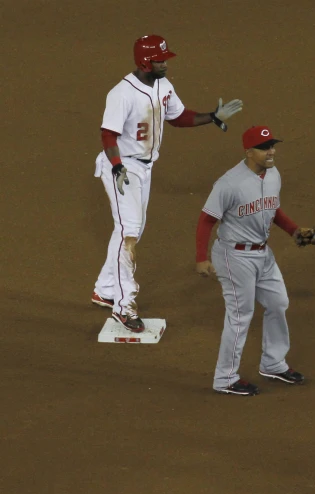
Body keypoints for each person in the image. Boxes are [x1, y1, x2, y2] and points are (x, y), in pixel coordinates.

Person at [91, 35, 244, 333]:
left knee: (129, 229)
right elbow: (108, 135)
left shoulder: (163, 85)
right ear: (145, 61)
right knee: (129, 233)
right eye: (161, 60)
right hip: (122, 167)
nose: (165, 63)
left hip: (144, 168)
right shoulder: (121, 93)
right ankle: (123, 307)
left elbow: (177, 117)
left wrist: (211, 117)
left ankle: (105, 290)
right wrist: (117, 166)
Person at [195, 125, 315, 396]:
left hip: (263, 254)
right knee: (240, 315)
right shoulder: (229, 183)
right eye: (264, 147)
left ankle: (273, 363)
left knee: (278, 303)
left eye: (272, 146)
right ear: (248, 152)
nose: (271, 151)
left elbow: (272, 208)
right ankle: (225, 378)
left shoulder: (273, 175)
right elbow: (207, 219)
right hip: (234, 256)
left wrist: (294, 230)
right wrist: (201, 258)